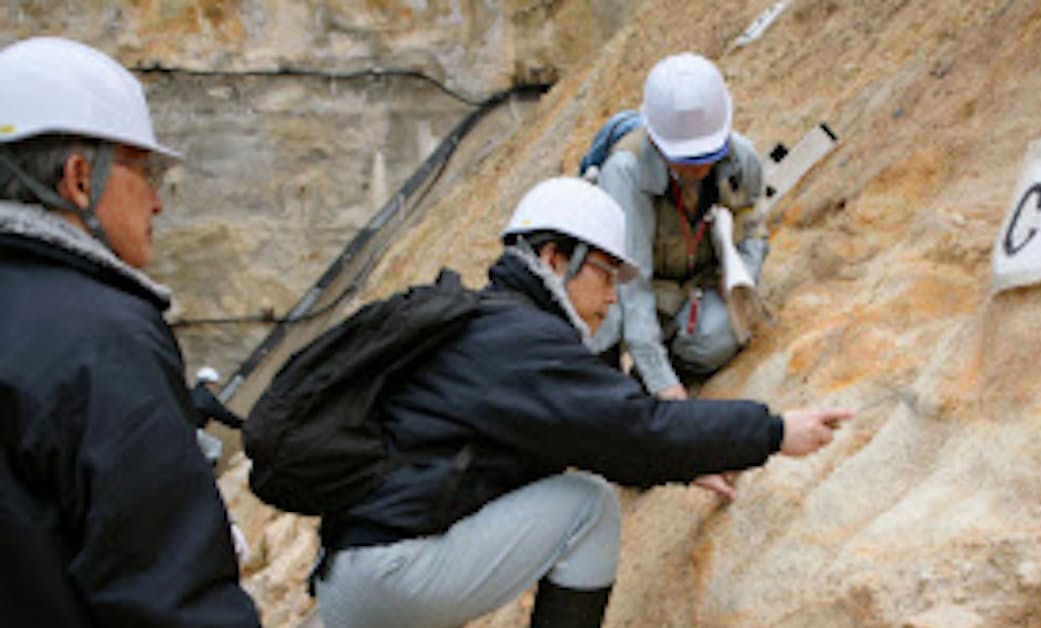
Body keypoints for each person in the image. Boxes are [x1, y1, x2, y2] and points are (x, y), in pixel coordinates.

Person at [313, 177, 851, 628]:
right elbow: (634, 430)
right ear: (554, 259)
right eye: (605, 274)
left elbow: (593, 439)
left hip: (349, 578)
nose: (613, 296)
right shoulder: (520, 340)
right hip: (395, 575)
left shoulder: (486, 324)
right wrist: (773, 432)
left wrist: (690, 461)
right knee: (588, 507)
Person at [0, 37, 260, 625]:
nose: (158, 204)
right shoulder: (101, 338)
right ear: (79, 177)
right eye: (146, 171)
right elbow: (169, 597)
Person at [591, 52, 769, 401]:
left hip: (692, 286)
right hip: (627, 289)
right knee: (602, 335)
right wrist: (661, 382)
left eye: (707, 156)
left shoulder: (740, 159)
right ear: (655, 140)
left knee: (717, 337)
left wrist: (740, 277)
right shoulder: (626, 173)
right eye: (686, 160)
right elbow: (631, 284)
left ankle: (670, 358)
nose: (698, 169)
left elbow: (753, 231)